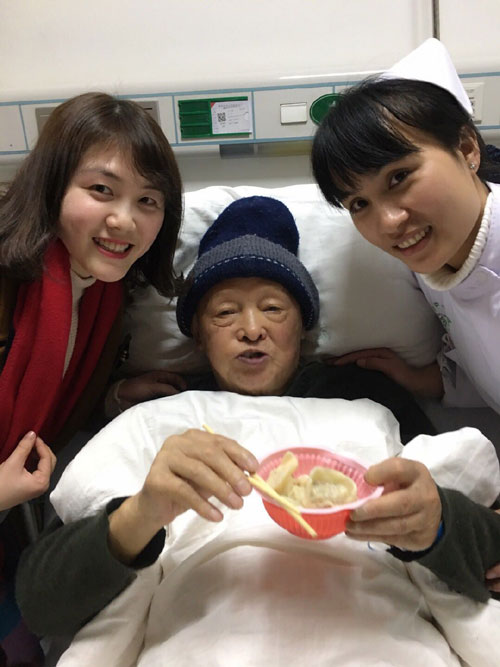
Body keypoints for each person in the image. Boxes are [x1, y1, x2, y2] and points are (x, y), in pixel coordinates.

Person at [16, 196, 500, 654]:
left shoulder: (370, 400)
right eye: (225, 313)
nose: (252, 329)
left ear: (302, 327)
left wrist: (438, 523)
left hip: (376, 633)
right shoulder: (157, 418)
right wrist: (141, 513)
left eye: (273, 309)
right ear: (199, 336)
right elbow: (41, 605)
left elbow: (489, 551)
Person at [0, 91, 183, 664]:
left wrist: (116, 395)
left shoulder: (102, 294)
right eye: (101, 189)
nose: (124, 219)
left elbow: (52, 399)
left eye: (147, 200)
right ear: (52, 184)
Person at [311, 38, 500, 416]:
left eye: (399, 177)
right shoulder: (438, 263)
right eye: (359, 204)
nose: (389, 223)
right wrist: (421, 379)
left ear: (466, 148)